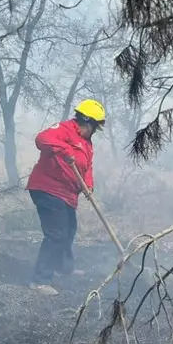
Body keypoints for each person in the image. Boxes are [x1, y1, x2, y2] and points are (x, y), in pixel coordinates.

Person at [25, 99, 106, 295]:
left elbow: (87, 167)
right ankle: (40, 280)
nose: (94, 131)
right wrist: (65, 150)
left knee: (69, 230)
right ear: (86, 121)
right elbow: (41, 139)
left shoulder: (87, 144)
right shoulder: (64, 129)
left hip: (68, 195)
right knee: (56, 234)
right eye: (94, 126)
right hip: (48, 189)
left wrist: (88, 185)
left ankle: (63, 268)